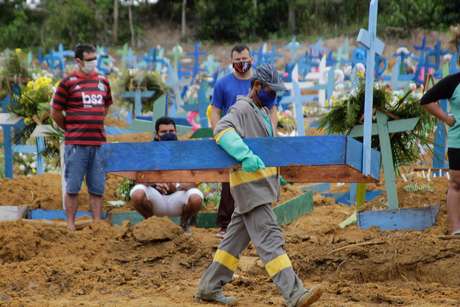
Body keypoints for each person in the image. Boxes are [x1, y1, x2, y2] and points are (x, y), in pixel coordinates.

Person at [195, 64, 322, 306]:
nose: (273, 96)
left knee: (232, 244)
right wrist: (243, 155)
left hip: (259, 187)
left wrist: (274, 173)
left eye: (276, 92)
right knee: (270, 240)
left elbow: (263, 148)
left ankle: (209, 287)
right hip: (251, 190)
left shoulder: (261, 110)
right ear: (256, 86)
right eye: (270, 91)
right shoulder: (243, 107)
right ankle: (294, 293)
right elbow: (222, 129)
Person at [210, 44, 278, 238]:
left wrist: (271, 137)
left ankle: (219, 265)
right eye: (238, 60)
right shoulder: (226, 88)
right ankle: (223, 222)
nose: (242, 63)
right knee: (270, 238)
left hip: (258, 141)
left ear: (252, 59)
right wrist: (222, 137)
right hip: (236, 139)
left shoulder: (264, 98)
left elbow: (272, 112)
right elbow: (217, 114)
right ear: (232, 62)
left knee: (235, 237)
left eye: (245, 59)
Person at [51, 44, 112, 231]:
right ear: (78, 61)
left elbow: (106, 106)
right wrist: (70, 129)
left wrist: (95, 120)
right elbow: (56, 112)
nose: (93, 63)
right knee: (73, 187)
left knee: (97, 187)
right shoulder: (67, 82)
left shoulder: (103, 81)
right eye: (89, 60)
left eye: (95, 59)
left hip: (98, 143)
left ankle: (96, 224)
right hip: (76, 144)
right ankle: (70, 224)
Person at [129, 117, 204, 233]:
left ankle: (183, 225)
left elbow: (193, 182)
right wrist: (155, 183)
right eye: (164, 132)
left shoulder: (185, 152)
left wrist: (177, 186)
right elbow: (139, 179)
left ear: (176, 132)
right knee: (137, 193)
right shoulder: (148, 152)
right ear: (157, 135)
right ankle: (152, 224)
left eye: (171, 131)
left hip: (178, 197)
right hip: (156, 198)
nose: (168, 134)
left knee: (196, 198)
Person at [420, 73, 460, 236]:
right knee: (457, 182)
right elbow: (426, 100)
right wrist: (446, 118)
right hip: (458, 141)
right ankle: (456, 228)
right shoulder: (453, 82)